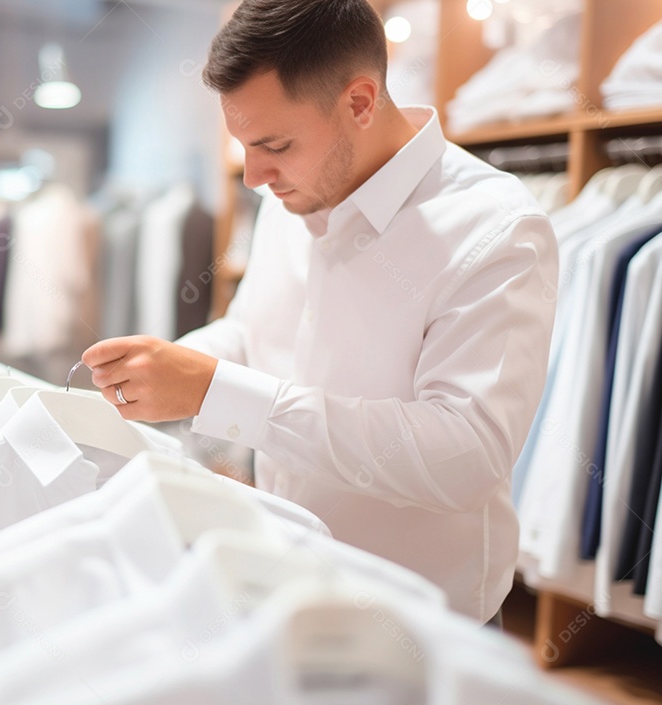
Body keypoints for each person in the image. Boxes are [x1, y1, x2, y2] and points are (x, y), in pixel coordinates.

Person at [82, 0, 558, 623]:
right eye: (244, 147)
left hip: (417, 623)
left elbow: (465, 455)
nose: (253, 175)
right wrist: (161, 368)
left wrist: (218, 393)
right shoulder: (290, 196)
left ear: (360, 102)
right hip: (280, 579)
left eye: (274, 144)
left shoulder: (495, 230)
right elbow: (256, 332)